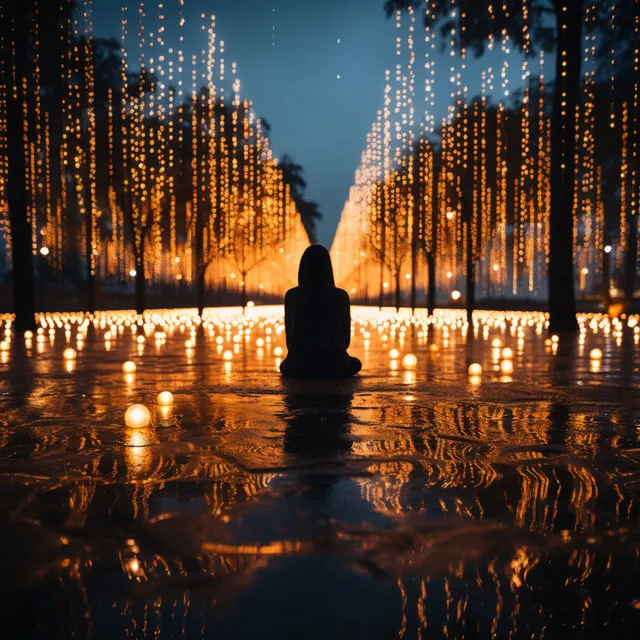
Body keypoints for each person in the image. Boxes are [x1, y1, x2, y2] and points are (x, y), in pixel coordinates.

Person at [279, 245, 361, 379]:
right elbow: (346, 341)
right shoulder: (340, 295)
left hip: (299, 365)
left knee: (285, 366)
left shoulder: (291, 295)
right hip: (334, 364)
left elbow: (290, 341)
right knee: (355, 363)